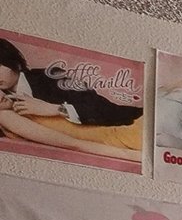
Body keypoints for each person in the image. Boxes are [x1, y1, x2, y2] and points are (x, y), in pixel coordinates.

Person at [0, 36, 145, 159]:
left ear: (15, 63)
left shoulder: (50, 77)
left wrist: (56, 109)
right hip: (106, 145)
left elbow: (101, 107)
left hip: (133, 122)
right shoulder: (4, 105)